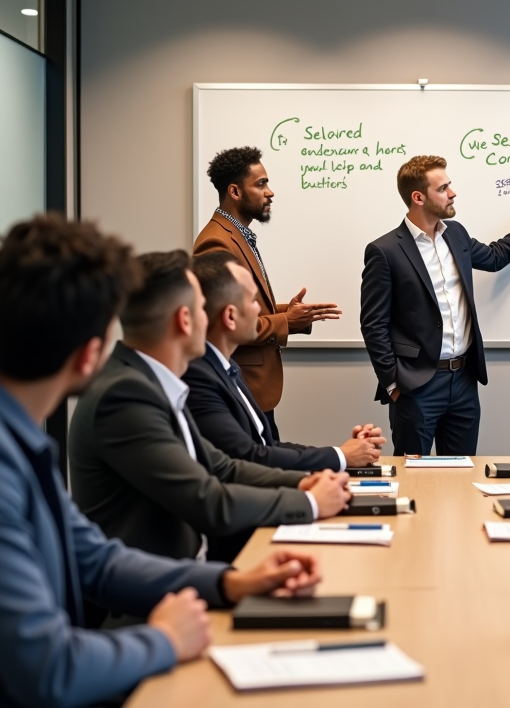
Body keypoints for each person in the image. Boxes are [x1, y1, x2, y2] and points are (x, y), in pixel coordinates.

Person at [0, 214, 322, 708]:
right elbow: (47, 668)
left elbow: (95, 557)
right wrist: (163, 641)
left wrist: (229, 583)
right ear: (88, 357)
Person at [70, 250, 351, 566]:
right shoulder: (124, 394)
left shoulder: (152, 381)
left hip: (189, 574)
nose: (212, 317)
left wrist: (302, 482)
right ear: (185, 320)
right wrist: (309, 502)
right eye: (203, 308)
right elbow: (207, 499)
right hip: (155, 593)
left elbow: (223, 467)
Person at [360, 154, 510, 455]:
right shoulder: (385, 251)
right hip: (416, 385)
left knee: (461, 474)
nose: (453, 192)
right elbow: (373, 324)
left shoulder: (455, 234)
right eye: (443, 188)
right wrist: (394, 385)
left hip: (463, 382)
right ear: (418, 197)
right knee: (412, 477)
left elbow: (496, 256)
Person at [187, 251, 387, 471]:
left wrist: (346, 453)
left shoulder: (228, 368)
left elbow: (267, 445)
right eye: (254, 301)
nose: (260, 311)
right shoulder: (199, 378)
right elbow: (250, 458)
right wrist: (341, 456)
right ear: (230, 316)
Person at [194, 146, 341, 439]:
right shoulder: (217, 243)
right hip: (242, 388)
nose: (270, 192)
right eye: (260, 184)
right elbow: (227, 321)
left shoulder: (238, 235)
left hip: (253, 389)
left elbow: (247, 307)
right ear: (235, 192)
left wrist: (292, 313)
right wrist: (287, 321)